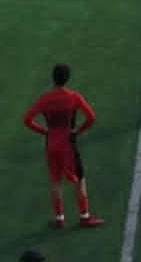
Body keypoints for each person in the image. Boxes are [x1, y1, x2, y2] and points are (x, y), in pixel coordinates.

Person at [22, 63, 105, 230]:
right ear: (68, 79)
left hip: (51, 144)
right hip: (69, 144)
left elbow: (27, 120)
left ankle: (59, 218)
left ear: (53, 78)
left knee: (55, 181)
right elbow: (91, 118)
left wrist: (45, 131)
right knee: (80, 180)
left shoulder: (44, 99)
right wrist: (78, 130)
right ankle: (85, 216)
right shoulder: (74, 97)